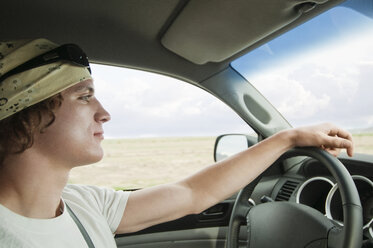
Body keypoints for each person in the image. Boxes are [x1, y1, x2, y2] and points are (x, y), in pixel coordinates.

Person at [0, 39, 354, 247]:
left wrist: (286, 139)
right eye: (83, 97)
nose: (104, 113)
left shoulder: (83, 205)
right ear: (25, 113)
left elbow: (192, 193)